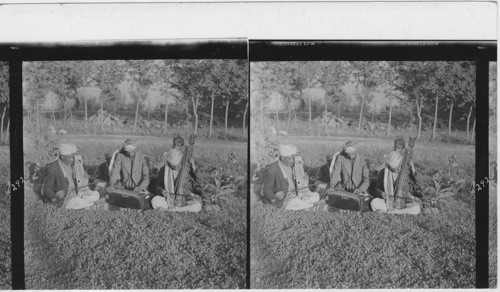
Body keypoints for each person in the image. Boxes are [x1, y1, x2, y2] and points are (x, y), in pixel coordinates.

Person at [261, 144, 323, 211]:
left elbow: (294, 181)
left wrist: (305, 179)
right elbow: (266, 188)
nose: (293, 161)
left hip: (295, 194)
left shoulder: (290, 165)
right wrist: (274, 198)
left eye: (293, 158)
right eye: (290, 158)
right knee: (297, 202)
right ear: (282, 157)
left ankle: (306, 203)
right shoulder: (273, 168)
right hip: (285, 199)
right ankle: (313, 204)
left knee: (315, 196)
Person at [151, 136, 202, 212]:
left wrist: (194, 167)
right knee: (154, 200)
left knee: (198, 205)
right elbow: (158, 186)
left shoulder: (186, 167)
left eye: (176, 164)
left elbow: (198, 181)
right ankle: (180, 210)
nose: (174, 166)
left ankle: (172, 210)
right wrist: (163, 191)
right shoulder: (164, 169)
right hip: (169, 199)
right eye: (172, 164)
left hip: (184, 198)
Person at [42, 143, 100, 209]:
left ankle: (82, 200)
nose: (73, 160)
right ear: (62, 156)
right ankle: (83, 202)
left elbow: (77, 179)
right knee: (88, 203)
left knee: (96, 195)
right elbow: (46, 189)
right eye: (70, 158)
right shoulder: (53, 168)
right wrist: (54, 197)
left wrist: (87, 177)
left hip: (75, 193)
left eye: (73, 157)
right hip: (65, 199)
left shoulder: (70, 165)